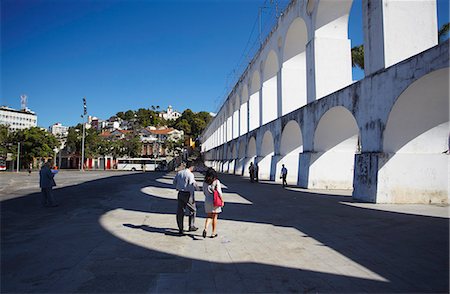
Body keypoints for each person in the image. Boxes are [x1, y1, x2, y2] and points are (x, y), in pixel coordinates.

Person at [173, 161, 199, 235]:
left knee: (180, 211)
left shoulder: (179, 173)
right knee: (193, 210)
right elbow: (191, 185)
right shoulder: (190, 174)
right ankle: (191, 225)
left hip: (180, 193)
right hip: (187, 194)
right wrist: (193, 197)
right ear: (192, 167)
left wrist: (179, 187)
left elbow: (174, 182)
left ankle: (180, 228)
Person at [202, 168, 223, 238]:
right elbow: (219, 192)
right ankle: (213, 233)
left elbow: (204, 192)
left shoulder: (205, 182)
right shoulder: (216, 181)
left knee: (209, 216)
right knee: (214, 217)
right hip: (215, 201)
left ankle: (205, 228)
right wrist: (222, 200)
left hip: (207, 200)